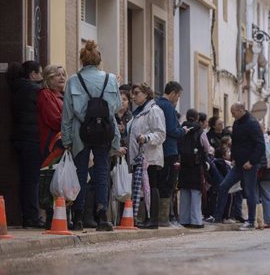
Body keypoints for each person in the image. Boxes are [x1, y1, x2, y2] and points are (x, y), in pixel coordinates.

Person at [62, 41, 123, 231]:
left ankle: (78, 217)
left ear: (82, 60)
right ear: (99, 60)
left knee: (80, 173)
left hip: (81, 131)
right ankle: (102, 215)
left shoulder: (73, 80)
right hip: (104, 131)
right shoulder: (111, 79)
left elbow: (67, 113)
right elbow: (116, 107)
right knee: (102, 173)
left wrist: (66, 140)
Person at [209, 103, 265, 230]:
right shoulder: (237, 123)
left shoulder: (252, 123)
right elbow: (235, 143)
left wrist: (251, 161)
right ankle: (218, 217)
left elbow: (260, 145)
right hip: (238, 164)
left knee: (249, 192)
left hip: (249, 165)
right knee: (224, 186)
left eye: (233, 112)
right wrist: (233, 158)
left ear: (240, 110)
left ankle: (251, 221)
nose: (232, 115)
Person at [8, 61, 44, 228]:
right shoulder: (35, 90)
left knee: (24, 178)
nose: (42, 77)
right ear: (32, 75)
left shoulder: (15, 88)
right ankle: (32, 216)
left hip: (19, 138)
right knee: (32, 180)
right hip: (32, 139)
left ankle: (26, 214)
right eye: (40, 73)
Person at [127, 83, 166, 229]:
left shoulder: (154, 111)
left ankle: (153, 219)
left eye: (136, 93)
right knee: (144, 188)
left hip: (150, 156)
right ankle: (146, 217)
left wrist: (147, 138)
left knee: (152, 186)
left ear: (146, 93)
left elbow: (161, 134)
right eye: (133, 93)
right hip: (139, 157)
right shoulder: (138, 113)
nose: (133, 96)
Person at [37, 65, 67, 228]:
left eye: (63, 75)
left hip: (62, 143)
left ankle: (60, 214)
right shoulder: (46, 95)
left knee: (60, 179)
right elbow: (54, 120)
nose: (61, 78)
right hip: (51, 143)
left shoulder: (62, 96)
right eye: (57, 75)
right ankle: (49, 216)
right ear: (49, 78)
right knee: (49, 178)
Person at [155, 81, 185, 228]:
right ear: (172, 93)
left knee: (159, 182)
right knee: (168, 184)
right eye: (178, 96)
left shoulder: (155, 104)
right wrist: (183, 131)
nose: (177, 100)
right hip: (169, 150)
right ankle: (164, 219)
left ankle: (161, 217)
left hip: (158, 151)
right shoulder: (168, 107)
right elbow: (172, 130)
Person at [178, 109, 211, 228]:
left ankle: (184, 219)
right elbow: (207, 148)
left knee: (184, 192)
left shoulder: (181, 129)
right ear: (197, 118)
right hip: (196, 165)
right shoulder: (200, 131)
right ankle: (196, 220)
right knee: (196, 193)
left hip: (183, 165)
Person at [257, 124, 270, 228]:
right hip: (268, 171)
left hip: (261, 171)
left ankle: (267, 220)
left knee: (262, 196)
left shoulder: (261, 140)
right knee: (268, 196)